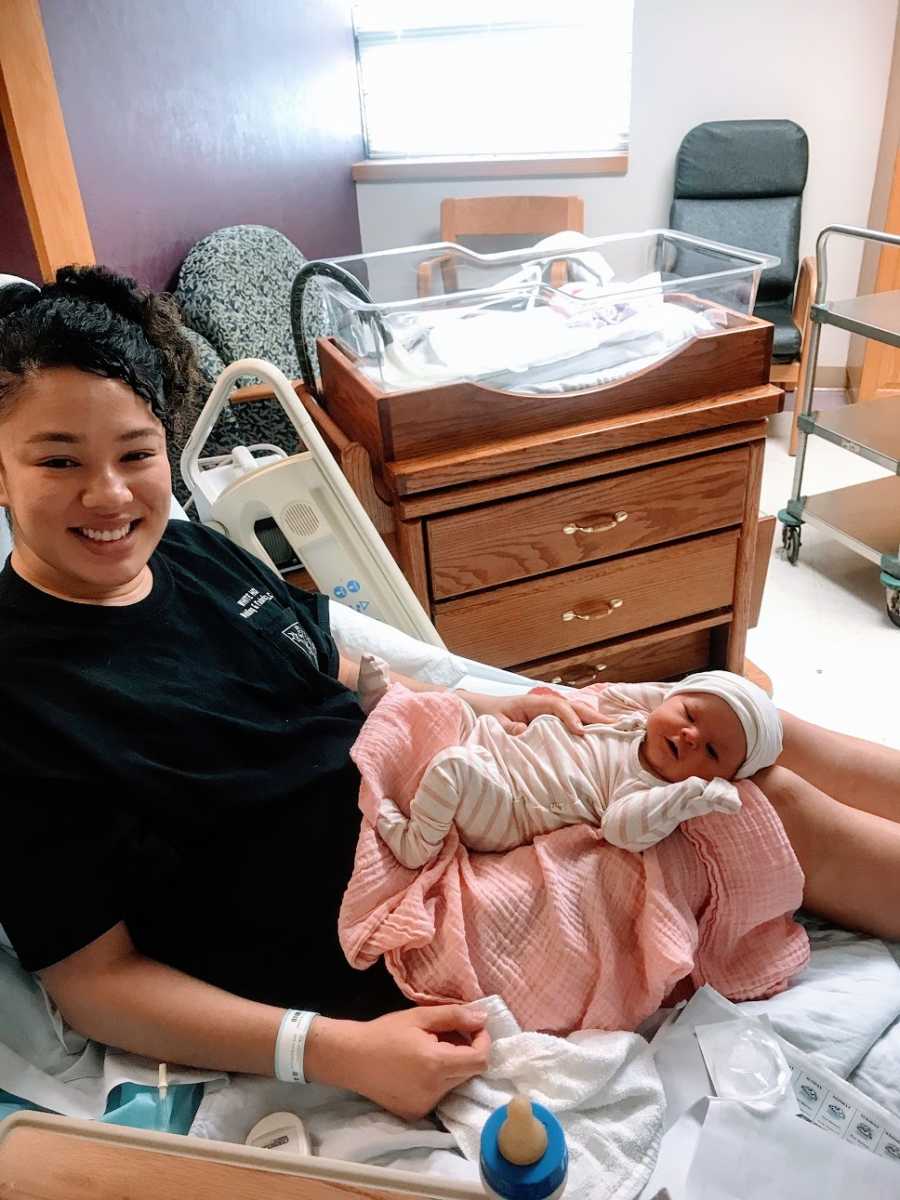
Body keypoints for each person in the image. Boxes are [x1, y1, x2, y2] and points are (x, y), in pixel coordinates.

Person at [1, 267, 898, 1123]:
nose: (109, 495)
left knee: (727, 713)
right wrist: (330, 1050)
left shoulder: (186, 556)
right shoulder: (22, 702)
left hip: (446, 780)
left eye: (136, 452)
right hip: (402, 919)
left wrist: (492, 705)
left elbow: (332, 670)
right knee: (746, 805)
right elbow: (93, 984)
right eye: (57, 461)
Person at [367, 666, 782, 867]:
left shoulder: (648, 789)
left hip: (508, 808)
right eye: (689, 713)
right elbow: (629, 695)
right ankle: (387, 707)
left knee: (453, 766)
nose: (691, 736)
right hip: (502, 752)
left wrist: (689, 797)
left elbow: (624, 829)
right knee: (456, 706)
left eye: (710, 753)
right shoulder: (633, 723)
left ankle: (417, 844)